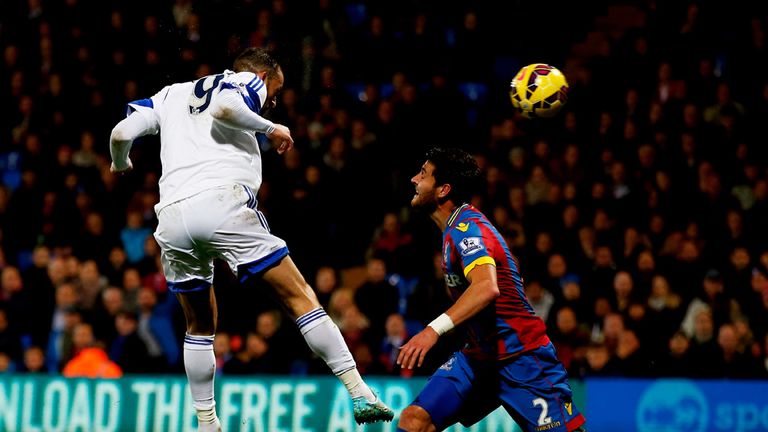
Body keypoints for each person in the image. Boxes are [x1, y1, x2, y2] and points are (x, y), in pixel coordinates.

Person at [108, 47, 393, 431]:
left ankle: (207, 422)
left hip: (172, 218)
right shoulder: (243, 80)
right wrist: (272, 128)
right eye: (275, 89)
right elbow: (226, 108)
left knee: (199, 325)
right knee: (299, 296)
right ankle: (360, 392)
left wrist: (121, 161)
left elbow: (121, 131)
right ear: (263, 74)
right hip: (222, 204)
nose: (272, 99)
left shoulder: (168, 94)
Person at [397, 147, 586, 432]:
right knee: (415, 421)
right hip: (479, 359)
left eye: (423, 174)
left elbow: (486, 287)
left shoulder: (468, 229)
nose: (414, 179)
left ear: (443, 190)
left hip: (523, 359)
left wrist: (432, 330)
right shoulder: (451, 230)